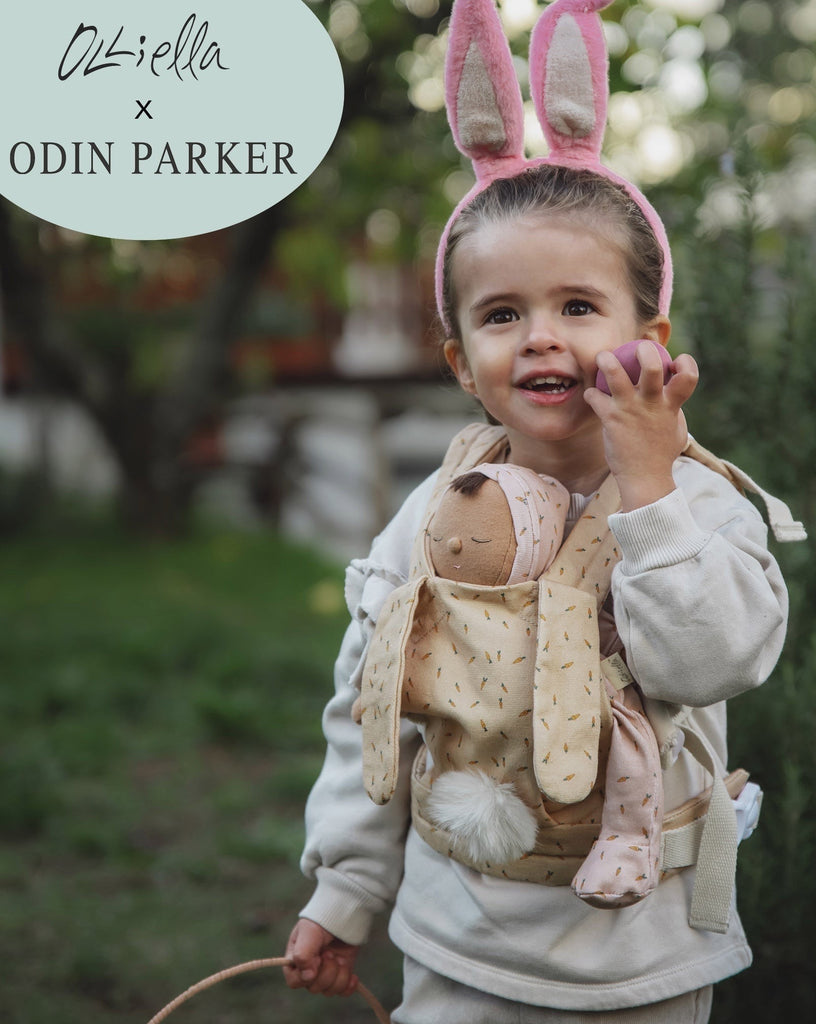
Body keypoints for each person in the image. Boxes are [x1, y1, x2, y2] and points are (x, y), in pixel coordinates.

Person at [283, 1, 798, 1020]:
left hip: (645, 956)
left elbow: (713, 661)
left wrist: (646, 491)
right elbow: (372, 706)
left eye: (578, 305)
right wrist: (347, 886)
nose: (541, 340)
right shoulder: (435, 516)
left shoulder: (698, 503)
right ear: (460, 363)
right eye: (502, 315)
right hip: (461, 942)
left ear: (649, 331)